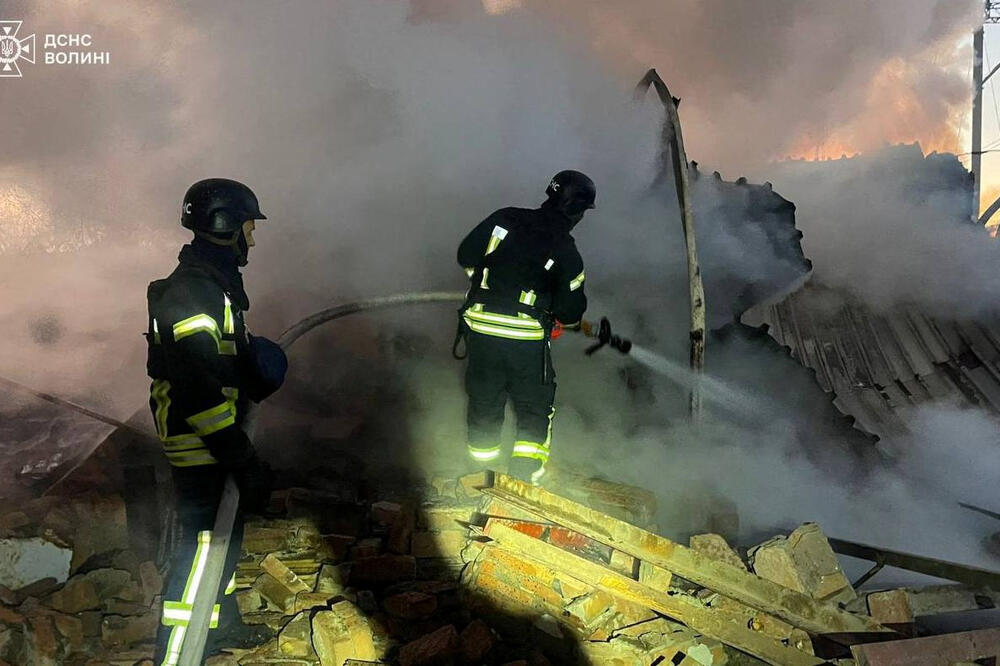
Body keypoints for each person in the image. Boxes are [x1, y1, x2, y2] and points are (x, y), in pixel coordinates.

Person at [146, 178, 287, 664]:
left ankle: (219, 624)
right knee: (203, 548)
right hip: (201, 441)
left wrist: (253, 361)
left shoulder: (214, 284)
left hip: (216, 436)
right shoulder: (194, 291)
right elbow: (195, 386)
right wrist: (238, 454)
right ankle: (178, 653)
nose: (255, 236)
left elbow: (215, 359)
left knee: (222, 541)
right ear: (227, 226)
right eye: (250, 225)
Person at [456, 170, 594, 485]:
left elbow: (466, 255)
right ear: (577, 211)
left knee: (484, 399)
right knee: (534, 407)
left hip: (481, 329)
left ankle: (479, 479)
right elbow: (571, 311)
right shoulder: (567, 251)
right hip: (524, 339)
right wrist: (552, 312)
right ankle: (521, 482)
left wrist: (484, 289)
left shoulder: (505, 218)